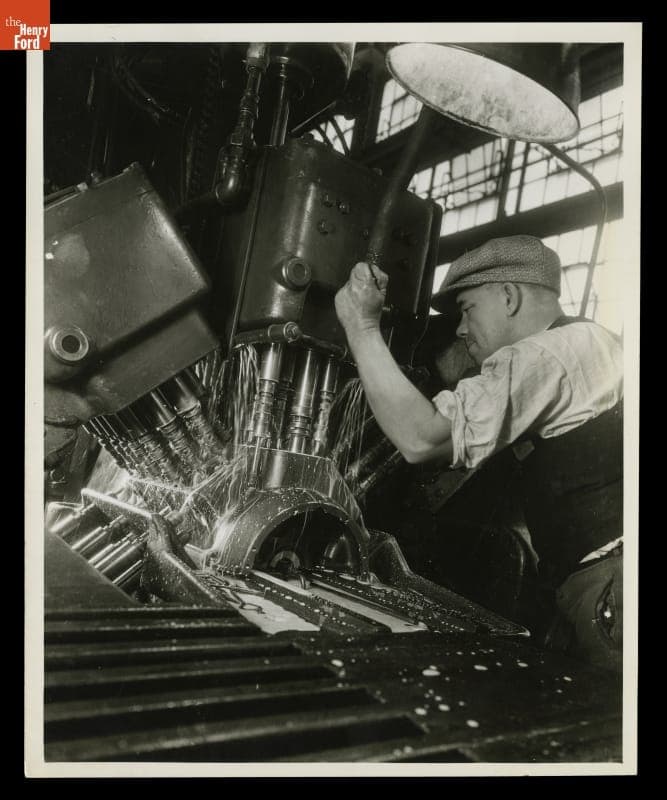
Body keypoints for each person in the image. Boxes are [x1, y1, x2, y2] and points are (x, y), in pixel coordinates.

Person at [335, 234, 623, 672]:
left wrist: (362, 327)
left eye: (468, 309)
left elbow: (421, 438)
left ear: (508, 297)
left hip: (610, 582)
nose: (460, 329)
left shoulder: (546, 354)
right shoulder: (586, 342)